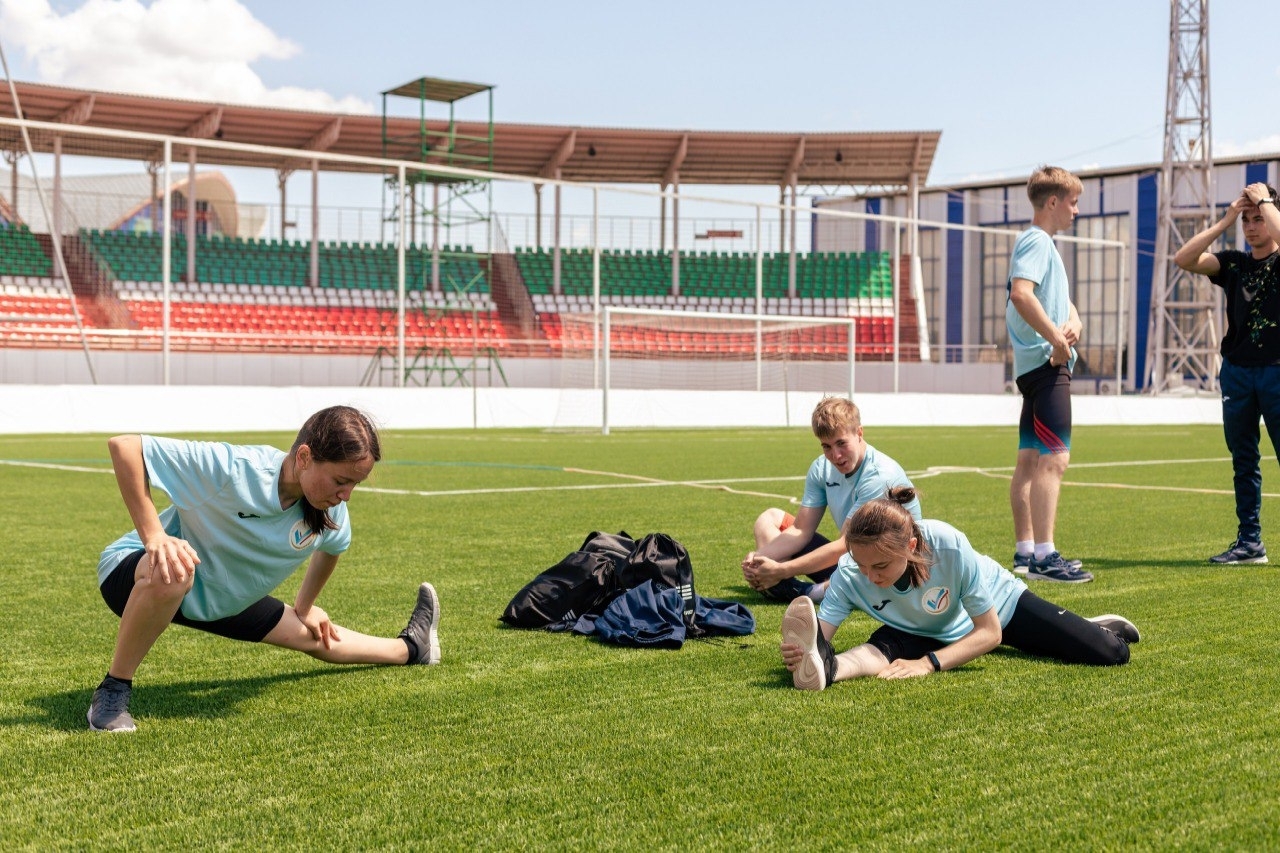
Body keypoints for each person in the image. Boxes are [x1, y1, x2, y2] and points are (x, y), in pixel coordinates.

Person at [88, 405, 442, 733]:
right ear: (304, 457)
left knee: (315, 636)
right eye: (340, 481)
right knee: (174, 570)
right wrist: (155, 537)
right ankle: (114, 690)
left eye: (354, 484)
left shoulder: (330, 510)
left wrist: (305, 606)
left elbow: (333, 549)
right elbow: (126, 447)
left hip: (221, 599)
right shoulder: (235, 469)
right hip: (134, 575)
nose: (346, 495)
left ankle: (412, 648)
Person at [779, 487, 1137, 690]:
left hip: (995, 609)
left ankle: (1090, 626)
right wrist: (805, 652)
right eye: (862, 565)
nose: (869, 577)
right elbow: (820, 636)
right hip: (917, 627)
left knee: (1111, 653)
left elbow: (990, 633)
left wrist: (929, 664)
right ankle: (832, 671)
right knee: (878, 650)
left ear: (911, 547)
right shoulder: (848, 573)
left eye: (881, 566)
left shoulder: (948, 545)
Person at [1174, 182, 1280, 564]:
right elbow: (1184, 258)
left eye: (1258, 219)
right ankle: (1250, 543)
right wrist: (1225, 220)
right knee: (1243, 460)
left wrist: (1264, 201)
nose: (1251, 227)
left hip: (1276, 372)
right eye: (1246, 221)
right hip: (1237, 372)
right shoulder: (1234, 263)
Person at [741, 396, 920, 603]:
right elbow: (801, 529)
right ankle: (784, 583)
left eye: (841, 443)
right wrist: (758, 559)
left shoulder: (880, 476)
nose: (836, 455)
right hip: (855, 557)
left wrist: (782, 570)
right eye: (826, 446)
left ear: (859, 433)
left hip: (888, 566)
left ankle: (803, 591)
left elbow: (846, 545)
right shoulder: (821, 468)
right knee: (769, 518)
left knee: (863, 565)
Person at [1006, 165, 1092, 583]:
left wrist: (1073, 322)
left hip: (1035, 367)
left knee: (1028, 460)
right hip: (1047, 366)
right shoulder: (1037, 240)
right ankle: (1045, 556)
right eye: (1072, 202)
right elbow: (1021, 294)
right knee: (1054, 458)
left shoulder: (1043, 246)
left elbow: (1058, 301)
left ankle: (1026, 552)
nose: (1076, 210)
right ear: (1053, 202)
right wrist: (1058, 340)